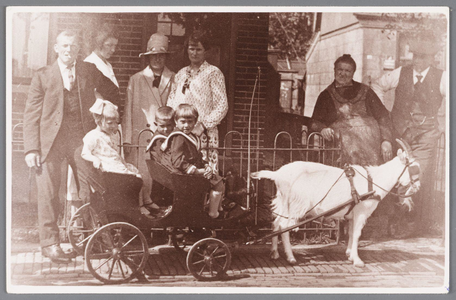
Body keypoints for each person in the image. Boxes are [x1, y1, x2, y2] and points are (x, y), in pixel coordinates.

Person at [23, 30, 119, 264]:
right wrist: (31, 149)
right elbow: (31, 115)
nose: (69, 50)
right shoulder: (43, 76)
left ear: (78, 50)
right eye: (64, 46)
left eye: (73, 46)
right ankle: (50, 244)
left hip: (80, 140)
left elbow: (112, 90)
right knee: (49, 193)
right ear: (56, 48)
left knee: (93, 186)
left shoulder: (88, 70)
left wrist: (104, 110)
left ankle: (96, 238)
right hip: (51, 143)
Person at [371, 34, 446, 236]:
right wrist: (383, 113)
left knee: (417, 175)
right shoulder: (400, 73)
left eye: (424, 57)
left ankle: (412, 223)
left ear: (432, 58)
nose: (419, 61)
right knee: (397, 175)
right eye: (416, 56)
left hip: (426, 135)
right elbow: (377, 85)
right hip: (401, 134)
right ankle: (396, 221)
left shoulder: (443, 77)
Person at [122, 33, 175, 212]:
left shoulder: (174, 79)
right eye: (153, 55)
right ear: (148, 57)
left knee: (161, 171)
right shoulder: (136, 79)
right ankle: (141, 205)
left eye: (161, 55)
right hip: (142, 134)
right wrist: (127, 139)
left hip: (164, 134)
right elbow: (128, 110)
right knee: (141, 170)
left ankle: (152, 202)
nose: (157, 59)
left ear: (166, 57)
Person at [311, 54, 393, 166]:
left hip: (372, 154)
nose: (343, 74)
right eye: (340, 69)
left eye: (347, 71)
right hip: (341, 154)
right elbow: (314, 122)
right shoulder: (325, 96)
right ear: (334, 70)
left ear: (353, 73)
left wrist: (386, 140)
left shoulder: (366, 92)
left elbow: (383, 116)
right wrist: (323, 129)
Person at [167, 30, 228, 176]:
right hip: (182, 133)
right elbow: (171, 100)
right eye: (191, 49)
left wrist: (203, 125)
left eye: (198, 49)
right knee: (183, 171)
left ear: (205, 51)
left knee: (206, 175)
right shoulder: (181, 74)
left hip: (203, 134)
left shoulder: (213, 73)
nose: (194, 53)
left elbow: (222, 105)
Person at [161, 104, 224, 218]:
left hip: (188, 171)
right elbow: (177, 161)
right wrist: (199, 171)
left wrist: (206, 166)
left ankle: (216, 207)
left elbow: (197, 155)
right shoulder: (179, 137)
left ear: (195, 122)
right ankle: (214, 213)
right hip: (184, 174)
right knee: (219, 184)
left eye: (190, 122)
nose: (186, 125)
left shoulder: (190, 136)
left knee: (216, 177)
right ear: (176, 121)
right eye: (183, 121)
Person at [81, 99, 140, 177]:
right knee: (130, 177)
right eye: (110, 123)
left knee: (136, 175)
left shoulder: (109, 136)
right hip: (108, 168)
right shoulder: (93, 136)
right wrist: (95, 159)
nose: (113, 126)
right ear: (99, 122)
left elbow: (115, 154)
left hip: (115, 165)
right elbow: (85, 153)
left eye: (115, 123)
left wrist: (123, 163)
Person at [145, 106, 175, 208]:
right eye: (162, 126)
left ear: (174, 124)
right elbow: (162, 158)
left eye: (169, 125)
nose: (166, 129)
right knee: (163, 197)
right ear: (155, 124)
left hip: (166, 173)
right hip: (162, 174)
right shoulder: (158, 139)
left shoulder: (171, 137)